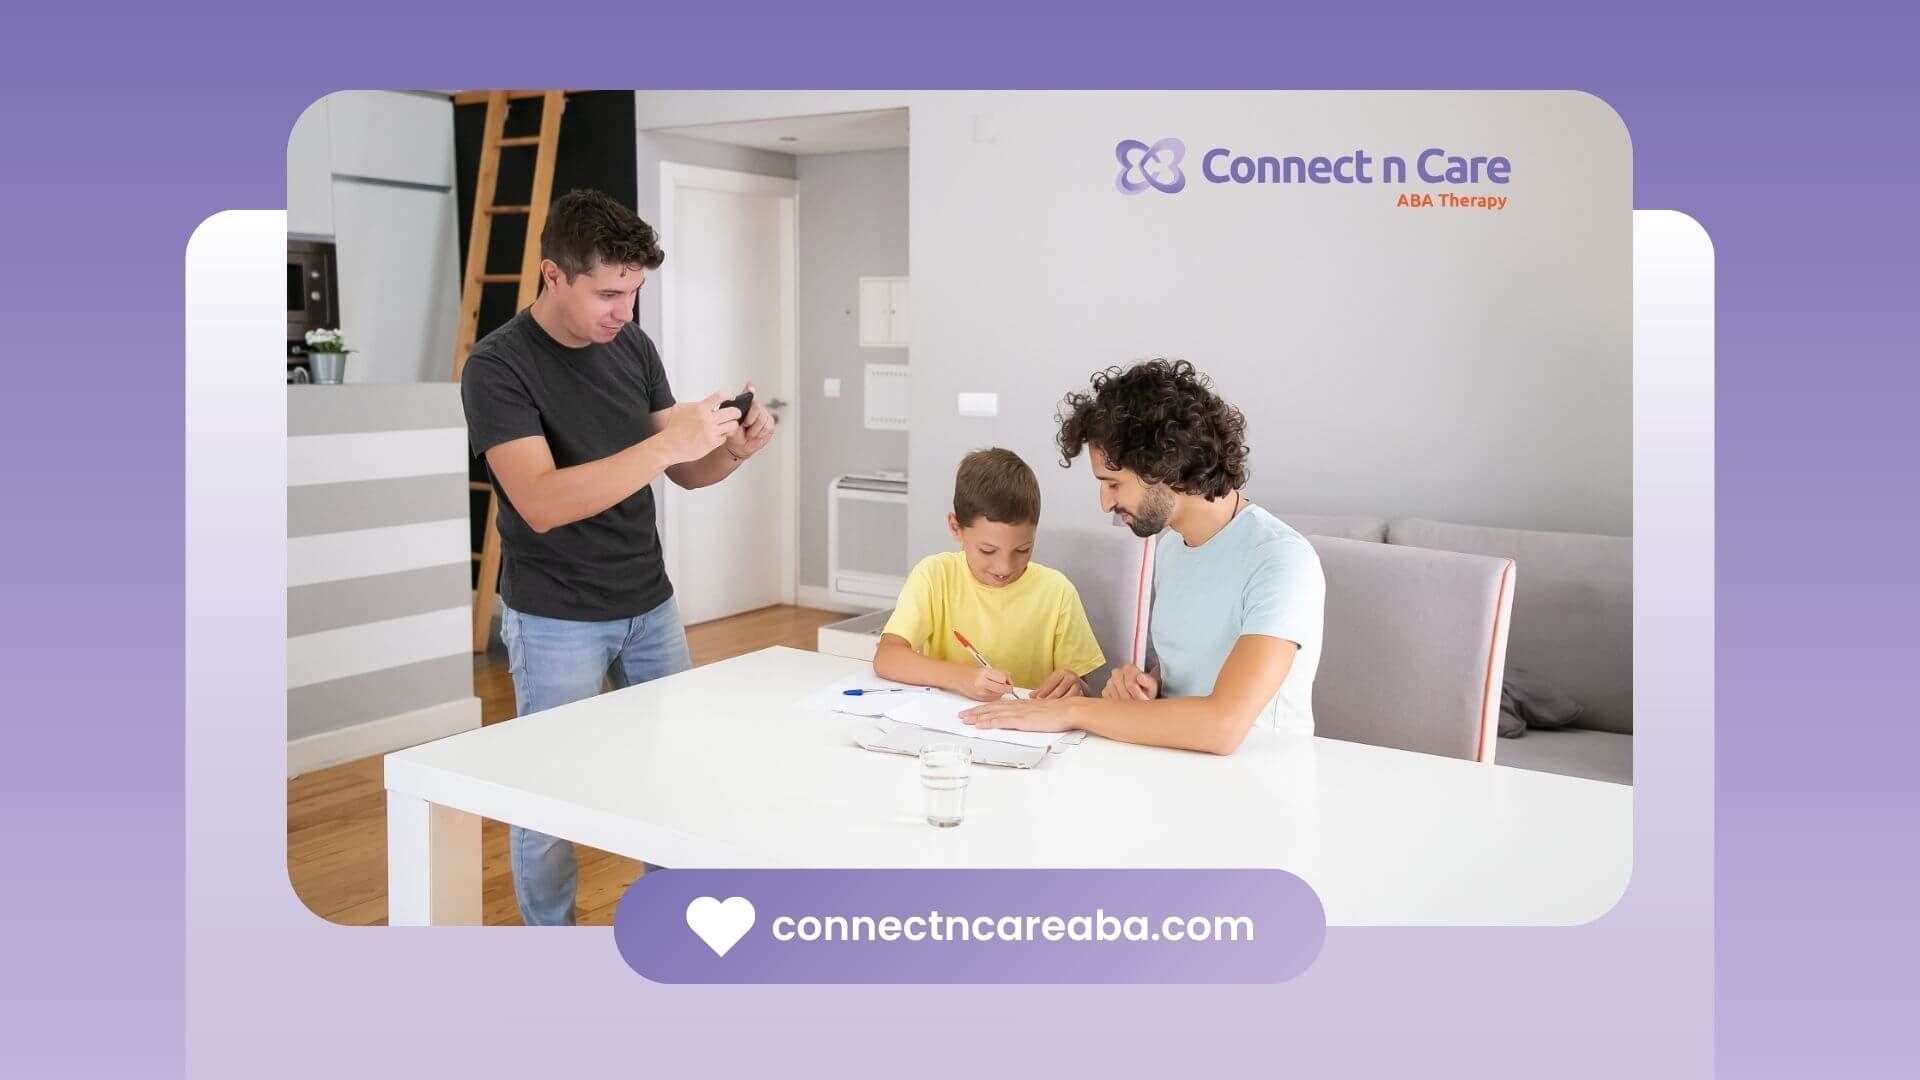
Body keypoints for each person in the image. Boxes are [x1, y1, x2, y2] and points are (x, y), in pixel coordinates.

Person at [459, 189, 776, 924]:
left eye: (633, 292)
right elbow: (538, 500)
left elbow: (686, 472)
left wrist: (732, 452)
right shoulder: (498, 367)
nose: (623, 312)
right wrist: (668, 442)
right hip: (555, 617)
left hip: (649, 604)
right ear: (552, 275)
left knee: (675, 779)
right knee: (547, 798)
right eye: (607, 293)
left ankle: (676, 926)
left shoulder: (630, 346)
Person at [960, 359, 1324, 754]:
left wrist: (1074, 710)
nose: (1104, 503)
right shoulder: (1171, 547)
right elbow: (1192, 671)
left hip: (1261, 780)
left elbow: (1223, 725)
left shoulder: (1280, 561)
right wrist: (1149, 685)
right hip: (1173, 764)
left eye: (1113, 483)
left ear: (1163, 467)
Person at [873, 448, 1106, 701]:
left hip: (1027, 728)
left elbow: (1084, 688)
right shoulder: (934, 576)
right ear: (955, 527)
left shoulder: (1058, 592)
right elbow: (887, 657)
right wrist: (962, 678)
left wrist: (1076, 686)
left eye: (1022, 549)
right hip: (948, 724)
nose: (1004, 567)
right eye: (987, 550)